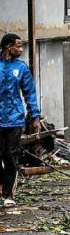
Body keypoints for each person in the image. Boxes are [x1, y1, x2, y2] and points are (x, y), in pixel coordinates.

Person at [1, 34, 41, 207]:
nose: (21, 49)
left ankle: (8, 194)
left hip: (15, 119)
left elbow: (29, 93)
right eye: (18, 46)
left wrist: (35, 117)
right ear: (8, 46)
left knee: (10, 156)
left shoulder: (21, 68)